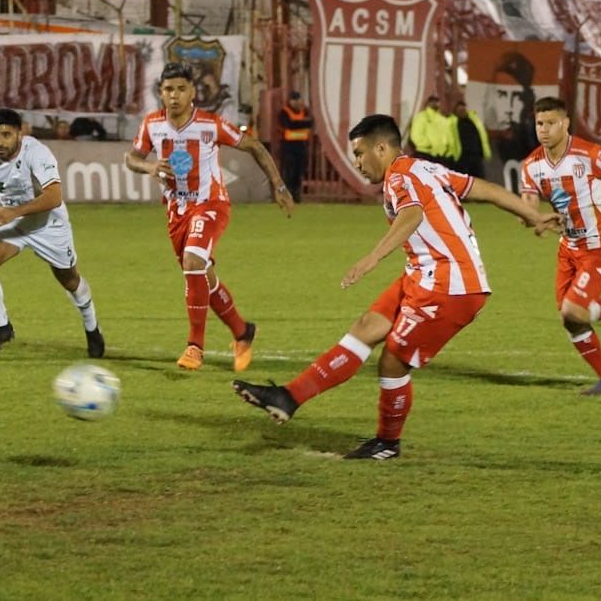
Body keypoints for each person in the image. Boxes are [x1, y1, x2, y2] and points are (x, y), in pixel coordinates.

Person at [232, 114, 560, 460]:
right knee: (366, 327)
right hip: (424, 274)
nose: (357, 163)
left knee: (392, 362)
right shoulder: (426, 169)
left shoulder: (398, 177)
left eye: (359, 154)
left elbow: (412, 215)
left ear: (382, 148)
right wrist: (533, 215)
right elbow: (486, 189)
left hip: (449, 286)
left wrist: (371, 259)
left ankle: (387, 443)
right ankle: (289, 397)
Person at [125, 62, 293, 371]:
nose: (174, 95)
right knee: (203, 276)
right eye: (168, 90)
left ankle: (194, 346)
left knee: (193, 261)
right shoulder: (152, 125)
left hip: (211, 204)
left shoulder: (210, 124)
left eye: (180, 89)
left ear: (192, 92)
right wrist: (149, 166)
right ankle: (242, 332)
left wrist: (278, 185)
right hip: (176, 211)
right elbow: (132, 158)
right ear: (160, 94)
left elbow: (253, 145)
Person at [0, 108, 105, 358]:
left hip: (49, 224)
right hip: (14, 222)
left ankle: (92, 328)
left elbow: (54, 197)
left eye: (6, 135)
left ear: (20, 134)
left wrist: (14, 212)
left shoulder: (37, 152)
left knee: (69, 280)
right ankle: (2, 327)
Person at [521, 96, 601, 395]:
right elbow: (528, 210)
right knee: (571, 319)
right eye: (540, 123)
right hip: (569, 247)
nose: (545, 129)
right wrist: (537, 221)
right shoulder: (531, 166)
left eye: (551, 123)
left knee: (573, 310)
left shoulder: (590, 155)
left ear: (565, 123)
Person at [278, 91, 314, 202]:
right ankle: (287, 196)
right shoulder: (284, 112)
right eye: (295, 100)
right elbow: (289, 125)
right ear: (291, 101)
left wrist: (297, 124)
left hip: (301, 146)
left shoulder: (305, 110)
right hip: (288, 147)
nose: (297, 102)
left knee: (299, 172)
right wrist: (302, 123)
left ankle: (296, 196)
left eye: (298, 100)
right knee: (289, 172)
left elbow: (311, 122)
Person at [449, 100, 492, 178]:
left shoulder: (474, 120)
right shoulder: (452, 123)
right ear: (455, 111)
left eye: (463, 109)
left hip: (476, 156)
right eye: (460, 110)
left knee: (480, 180)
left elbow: (482, 135)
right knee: (464, 181)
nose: (462, 112)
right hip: (461, 158)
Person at [410, 95, 454, 167]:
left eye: (437, 102)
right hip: (424, 154)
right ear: (428, 103)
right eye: (433, 101)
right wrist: (429, 144)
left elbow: (447, 135)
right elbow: (416, 136)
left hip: (440, 157)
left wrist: (448, 149)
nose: (435, 103)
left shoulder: (441, 118)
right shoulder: (422, 116)